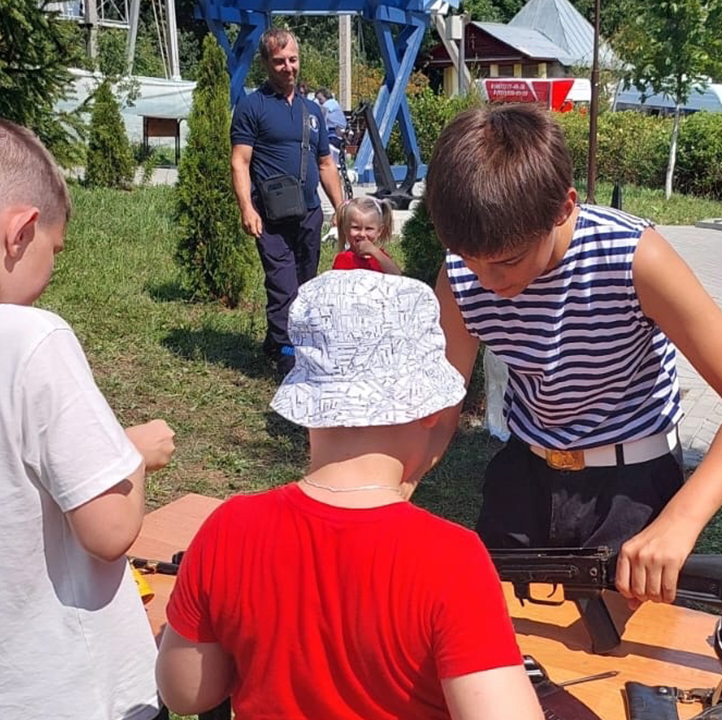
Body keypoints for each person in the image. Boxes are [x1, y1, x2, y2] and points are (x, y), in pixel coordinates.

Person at [425, 104, 722, 607]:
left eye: (507, 261)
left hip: (631, 487)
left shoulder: (635, 258)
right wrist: (389, 489)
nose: (488, 281)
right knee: (505, 648)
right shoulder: (461, 274)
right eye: (469, 259)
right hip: (523, 478)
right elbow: (439, 407)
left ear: (563, 207)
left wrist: (679, 522)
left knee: (623, 667)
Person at [155, 271, 543, 720]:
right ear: (431, 410)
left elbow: (185, 694)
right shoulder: (453, 559)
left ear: (307, 405)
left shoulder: (229, 527)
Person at [0, 120, 176, 719]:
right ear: (19, 232)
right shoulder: (32, 339)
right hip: (64, 691)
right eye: (56, 251)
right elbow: (108, 533)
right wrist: (131, 455)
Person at [231, 28, 344, 375]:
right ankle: (286, 353)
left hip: (309, 214)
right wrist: (247, 208)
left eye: (292, 60)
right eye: (279, 61)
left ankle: (275, 338)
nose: (288, 67)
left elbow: (326, 163)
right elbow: (240, 161)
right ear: (266, 63)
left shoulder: (313, 110)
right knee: (283, 286)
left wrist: (341, 208)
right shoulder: (253, 106)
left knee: (305, 283)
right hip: (270, 216)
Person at [331, 196, 401, 275]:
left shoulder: (381, 258)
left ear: (379, 231)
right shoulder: (343, 259)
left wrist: (375, 252)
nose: (362, 234)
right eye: (356, 228)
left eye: (369, 229)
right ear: (345, 228)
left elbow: (397, 276)